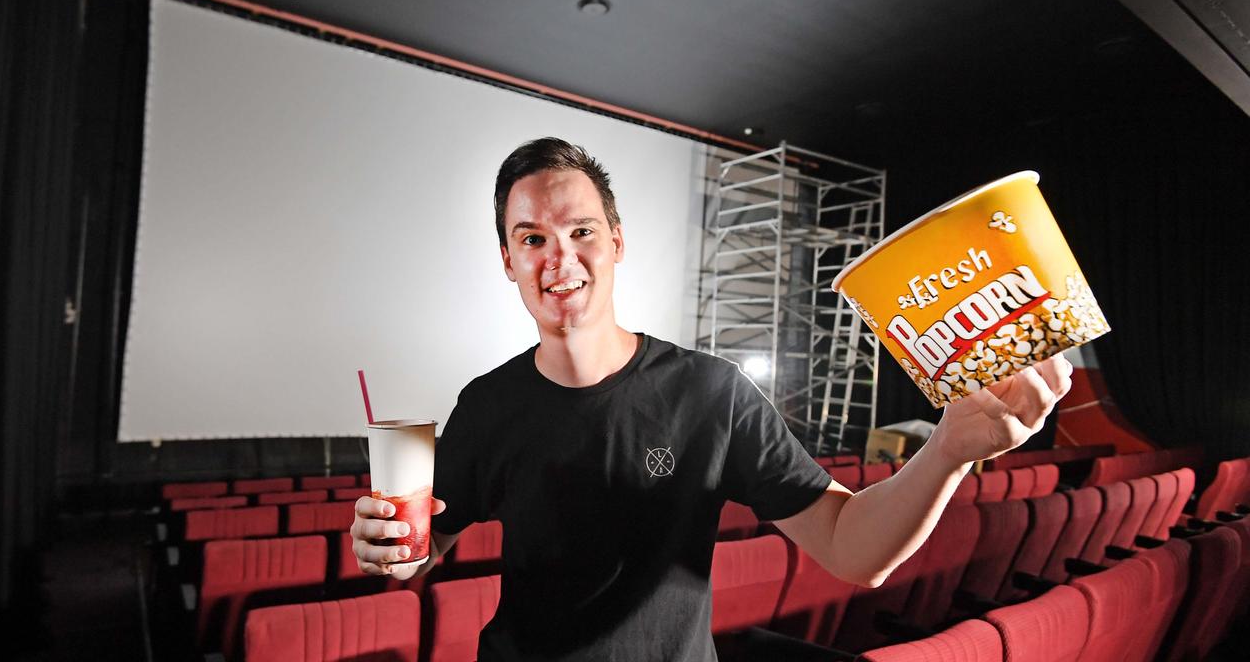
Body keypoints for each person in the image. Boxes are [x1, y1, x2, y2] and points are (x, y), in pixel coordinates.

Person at [351, 137, 1073, 661]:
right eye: (531, 237)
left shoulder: (709, 393)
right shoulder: (486, 404)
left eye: (580, 231)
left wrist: (946, 451)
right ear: (508, 262)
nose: (559, 258)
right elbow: (423, 552)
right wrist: (389, 552)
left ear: (616, 243)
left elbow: (853, 550)